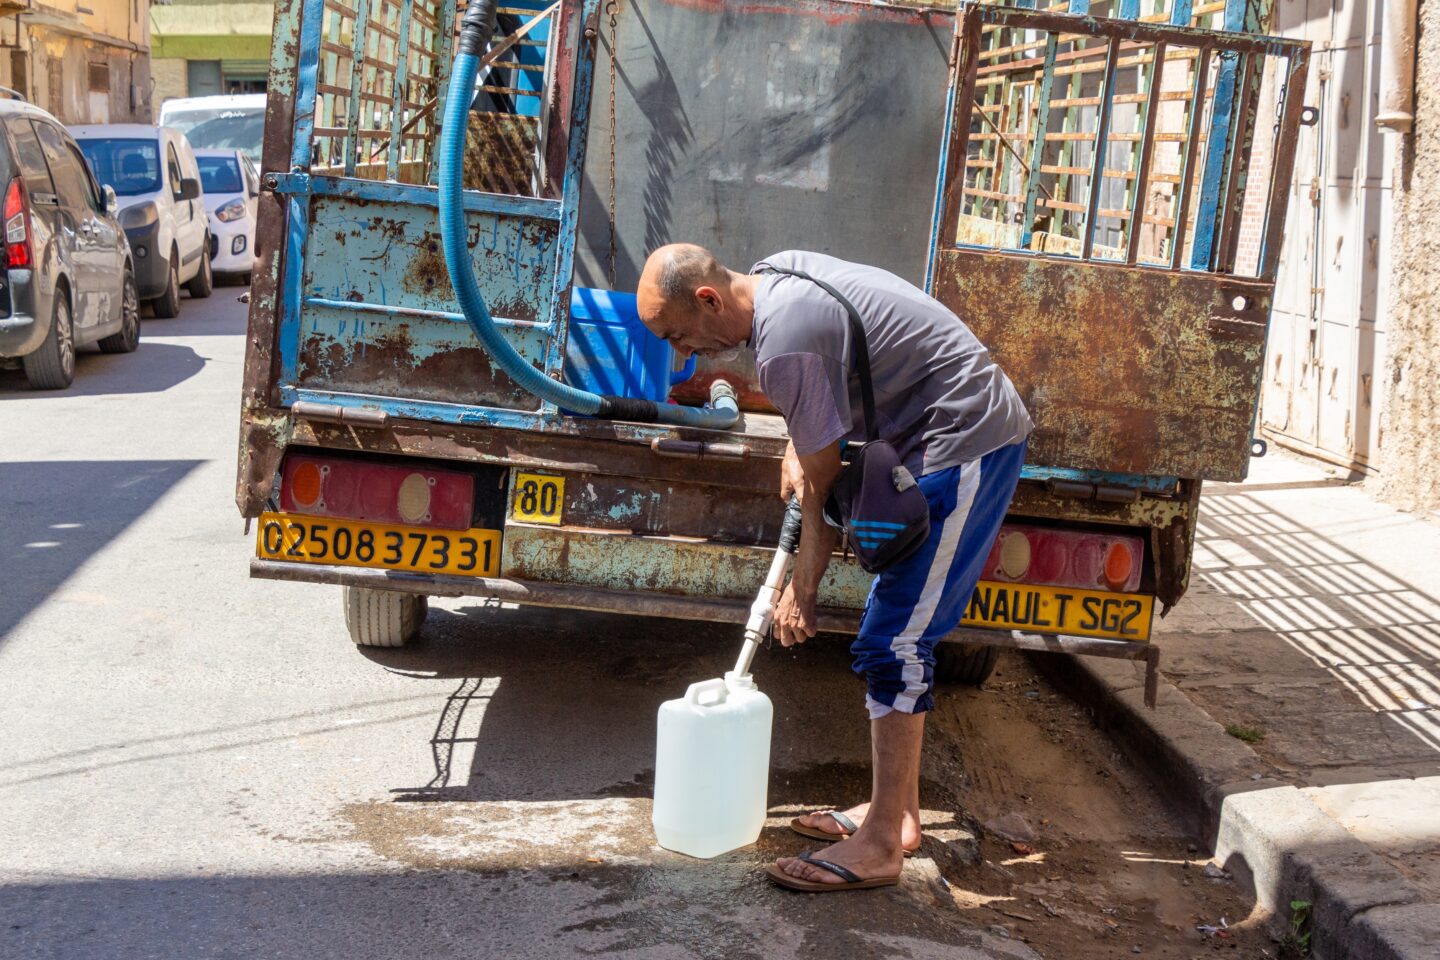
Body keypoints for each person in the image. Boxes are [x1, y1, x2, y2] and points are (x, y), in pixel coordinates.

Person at [636, 244, 1033, 892]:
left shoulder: (781, 341)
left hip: (968, 441)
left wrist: (805, 586)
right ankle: (896, 815)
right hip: (932, 436)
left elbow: (819, 479)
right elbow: (827, 381)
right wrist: (800, 439)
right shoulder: (774, 275)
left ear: (708, 300)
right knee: (894, 633)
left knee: (896, 639)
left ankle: (880, 845)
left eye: (679, 334)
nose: (685, 354)